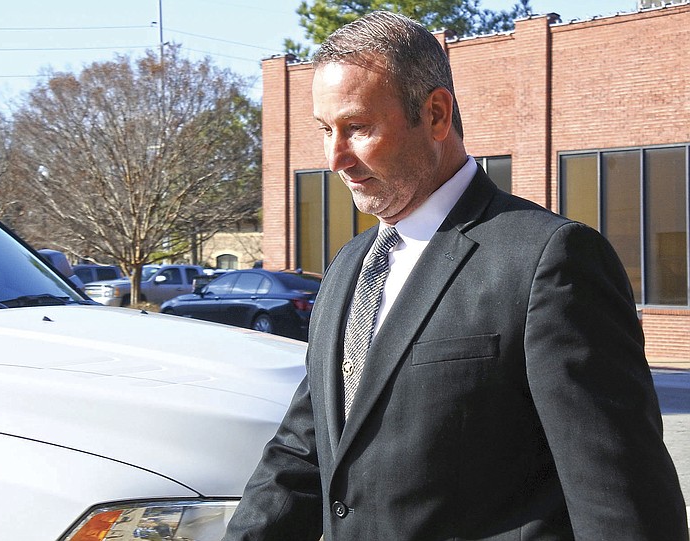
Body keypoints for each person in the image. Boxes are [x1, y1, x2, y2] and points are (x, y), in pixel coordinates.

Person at [223, 10, 688, 541]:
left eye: (357, 128)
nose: (335, 158)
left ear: (437, 115)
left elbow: (623, 504)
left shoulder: (550, 261)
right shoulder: (348, 268)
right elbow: (302, 453)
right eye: (325, 130)